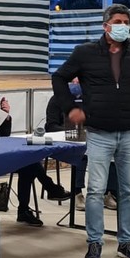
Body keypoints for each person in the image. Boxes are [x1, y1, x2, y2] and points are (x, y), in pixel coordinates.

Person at [51, 4, 130, 258]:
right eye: (118, 21)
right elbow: (59, 77)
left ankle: (126, 242)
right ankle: (94, 242)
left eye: (126, 22)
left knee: (129, 191)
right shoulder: (84, 53)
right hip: (99, 132)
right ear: (106, 25)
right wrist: (70, 109)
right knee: (95, 190)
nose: (123, 26)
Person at [45, 80, 118, 212]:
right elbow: (51, 126)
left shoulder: (91, 99)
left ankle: (109, 193)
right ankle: (77, 192)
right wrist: (71, 130)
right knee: (81, 153)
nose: (78, 82)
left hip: (91, 137)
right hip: (66, 140)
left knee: (111, 150)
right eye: (75, 79)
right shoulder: (56, 99)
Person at [10, 96, 70, 227]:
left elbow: (3, 133)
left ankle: (24, 209)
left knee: (28, 164)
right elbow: (51, 126)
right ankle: (51, 188)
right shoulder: (56, 100)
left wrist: (6, 117)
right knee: (28, 163)